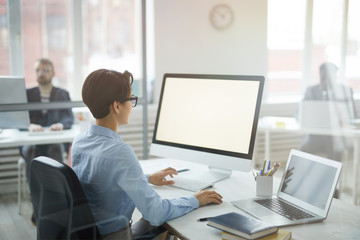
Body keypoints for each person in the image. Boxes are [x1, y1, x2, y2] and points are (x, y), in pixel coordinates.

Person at [71, 69, 223, 239]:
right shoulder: (119, 152)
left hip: (92, 234)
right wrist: (196, 199)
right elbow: (155, 212)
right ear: (117, 106)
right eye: (131, 99)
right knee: (169, 221)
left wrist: (147, 177)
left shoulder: (79, 143)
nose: (131, 105)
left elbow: (103, 181)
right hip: (116, 236)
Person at [20, 58, 74, 224]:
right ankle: (38, 205)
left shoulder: (62, 94)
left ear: (53, 73)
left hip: (53, 143)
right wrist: (28, 125)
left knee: (56, 150)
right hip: (32, 143)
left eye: (45, 70)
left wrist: (60, 124)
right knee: (31, 152)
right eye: (38, 70)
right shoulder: (27, 94)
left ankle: (55, 203)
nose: (41, 73)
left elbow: (68, 118)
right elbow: (19, 119)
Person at [299, 62, 357, 162]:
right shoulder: (311, 91)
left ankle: (333, 175)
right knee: (303, 151)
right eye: (323, 76)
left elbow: (353, 115)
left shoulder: (344, 91)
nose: (326, 80)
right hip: (315, 135)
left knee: (335, 153)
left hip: (335, 136)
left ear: (335, 76)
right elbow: (299, 113)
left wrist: (343, 121)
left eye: (329, 76)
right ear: (320, 74)